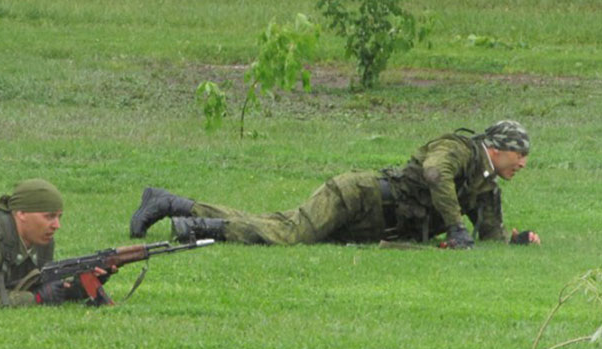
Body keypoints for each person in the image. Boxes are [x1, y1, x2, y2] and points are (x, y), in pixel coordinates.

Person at [129, 120, 540, 248]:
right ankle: (197, 228)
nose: (522, 162)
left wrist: (516, 241)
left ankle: (173, 204)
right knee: (287, 235)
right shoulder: (458, 149)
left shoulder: (485, 186)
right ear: (497, 148)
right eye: (519, 153)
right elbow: (434, 174)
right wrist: (454, 225)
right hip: (358, 198)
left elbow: (488, 236)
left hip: (372, 224)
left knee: (276, 223)